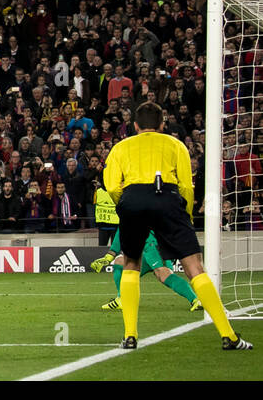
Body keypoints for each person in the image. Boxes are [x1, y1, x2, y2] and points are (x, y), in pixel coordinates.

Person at [104, 101, 250, 351]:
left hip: (132, 199)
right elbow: (186, 186)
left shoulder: (121, 147)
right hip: (167, 197)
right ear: (162, 124)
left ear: (135, 125)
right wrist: (187, 216)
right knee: (194, 266)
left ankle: (130, 336)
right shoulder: (175, 144)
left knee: (130, 264)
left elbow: (113, 186)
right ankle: (229, 336)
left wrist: (127, 205)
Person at [91, 228, 202, 313]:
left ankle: (195, 300)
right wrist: (110, 255)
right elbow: (123, 228)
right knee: (120, 262)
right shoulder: (133, 206)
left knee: (163, 274)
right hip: (145, 249)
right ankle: (123, 299)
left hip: (156, 246)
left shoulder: (148, 205)